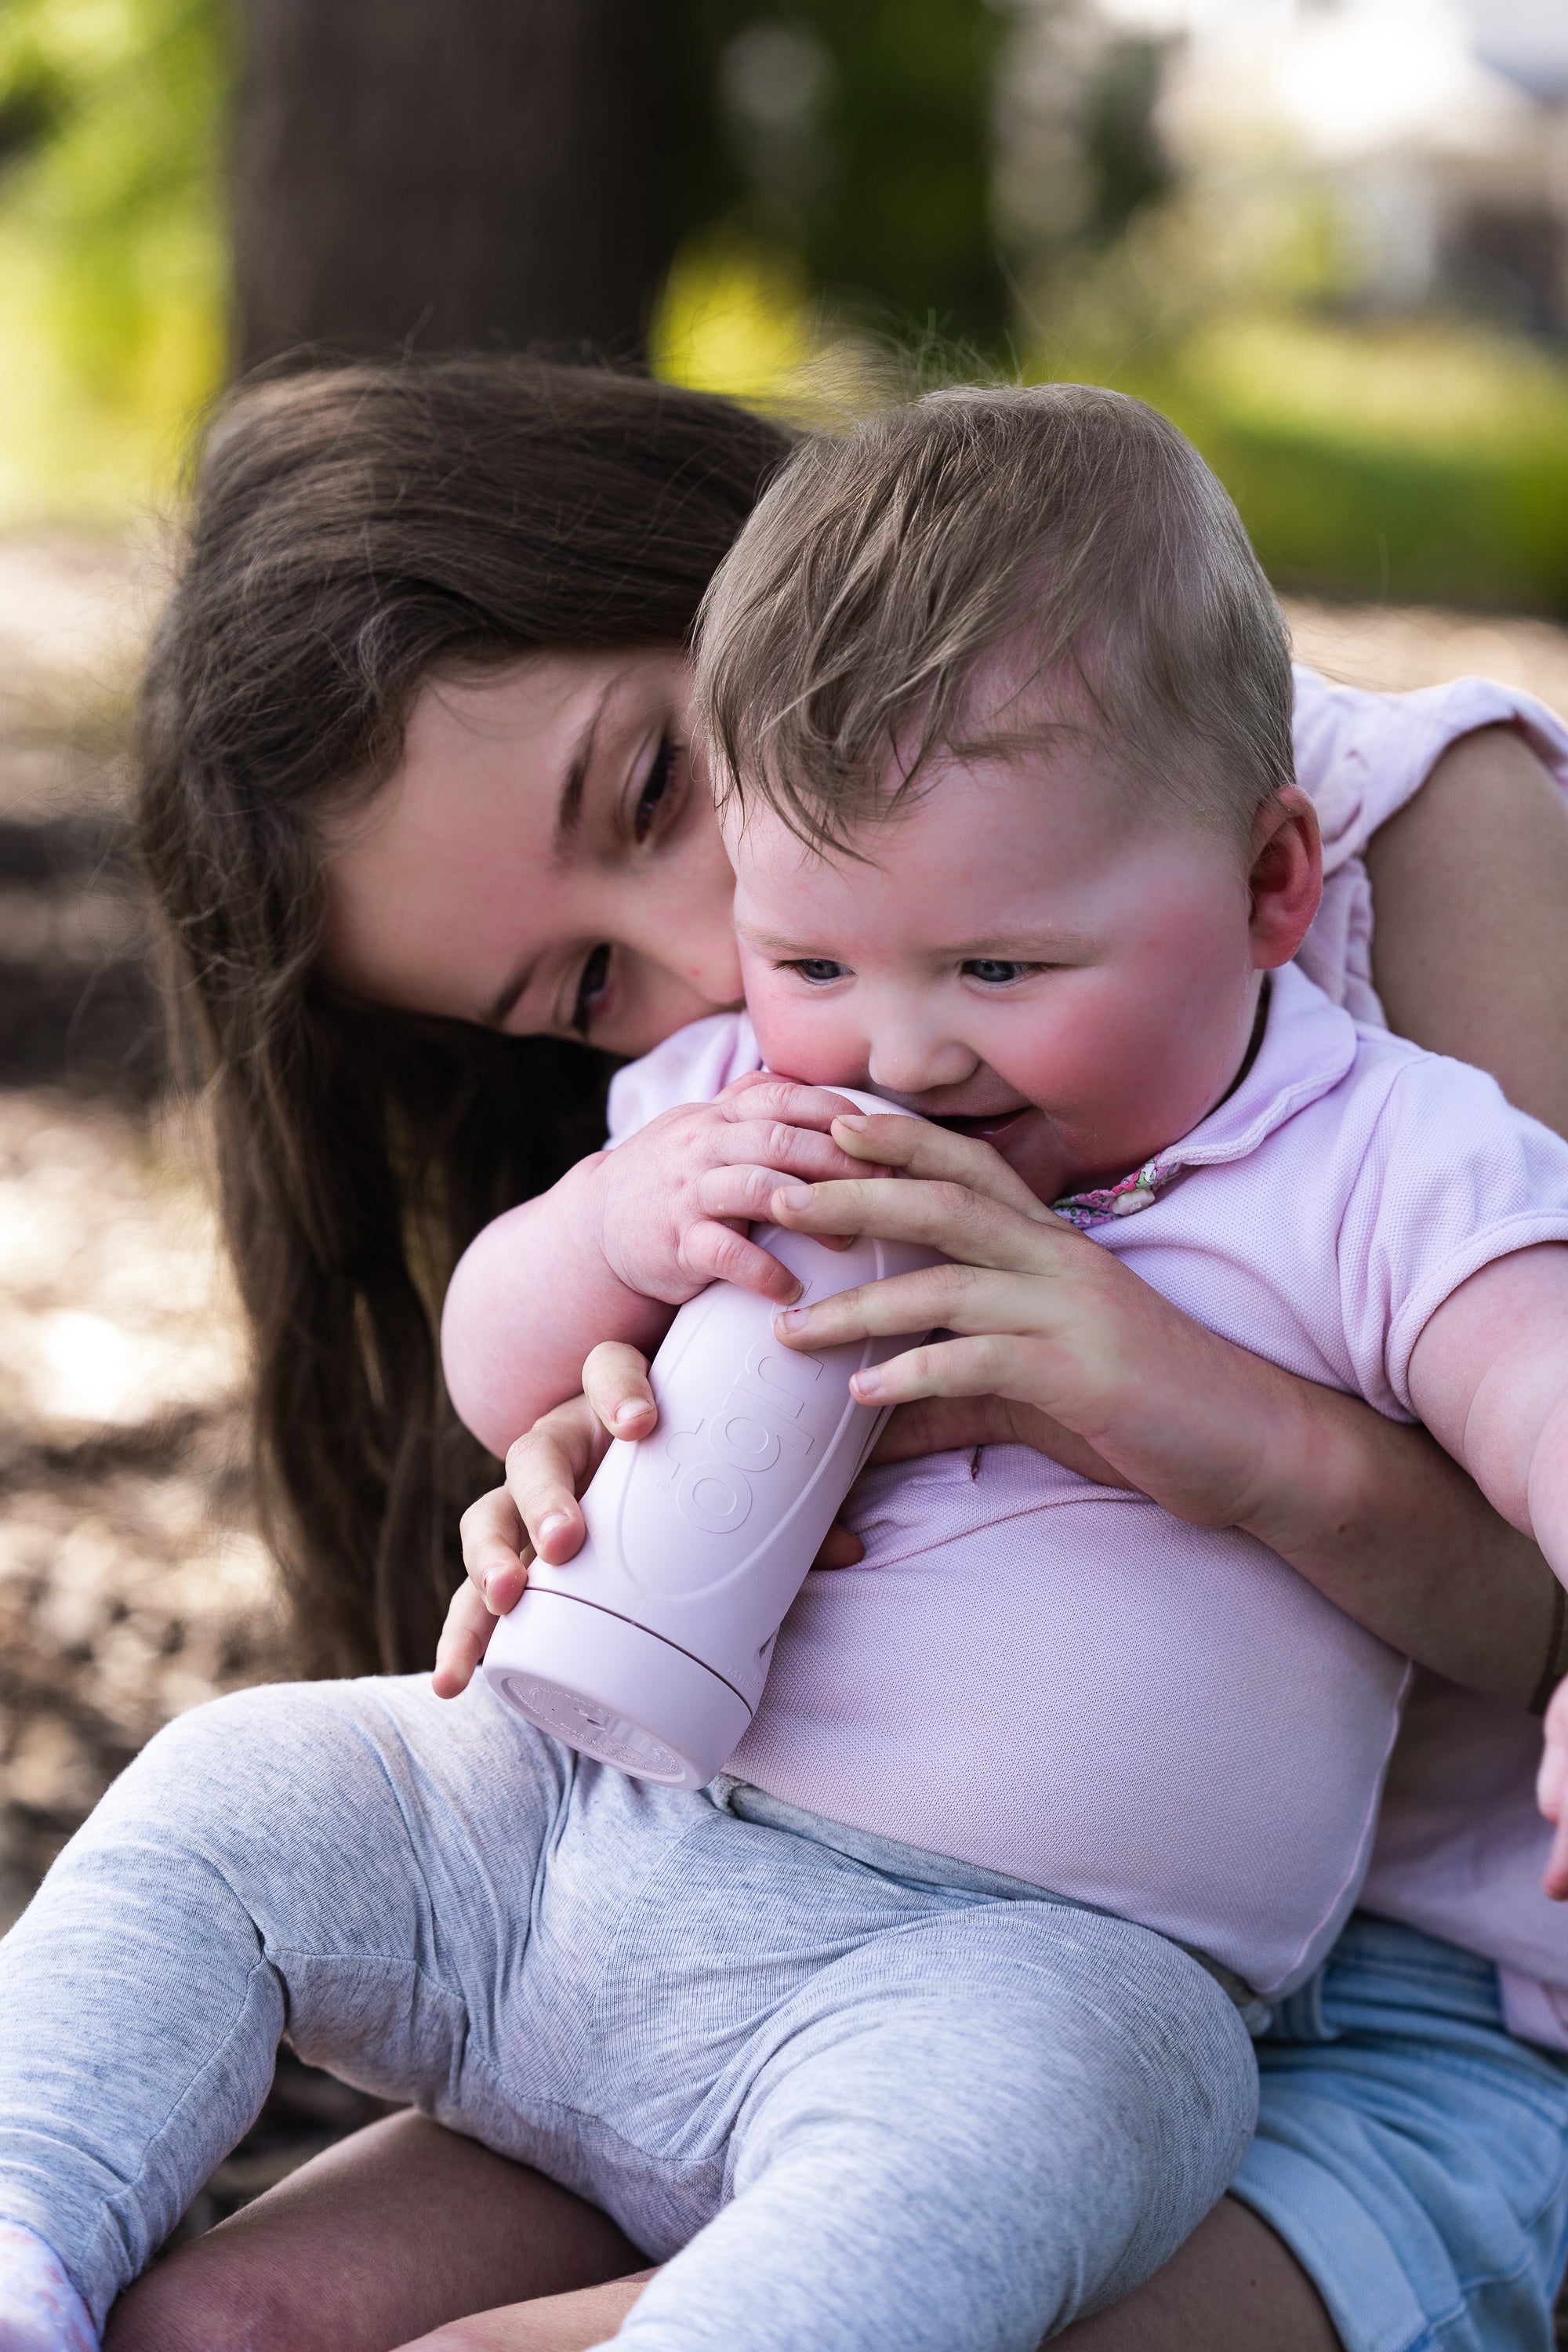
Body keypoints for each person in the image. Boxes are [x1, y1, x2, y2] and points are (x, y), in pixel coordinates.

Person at [36, 359, 1568, 2351]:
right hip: (705, 1911)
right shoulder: (758, 1057)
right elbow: (506, 1350)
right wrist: (601, 1399)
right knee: (215, 2323)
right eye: (584, 984)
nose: (755, 982)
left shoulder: (1392, 947)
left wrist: (1171, 1409)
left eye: (657, 788)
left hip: (1303, 2004)